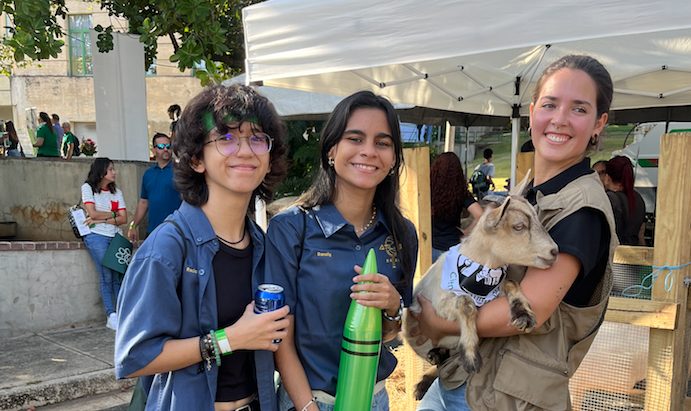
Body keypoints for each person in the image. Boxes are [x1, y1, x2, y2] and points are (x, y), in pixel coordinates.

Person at [415, 55, 618, 411]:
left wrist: (435, 321)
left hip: (507, 396)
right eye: (551, 104)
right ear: (532, 109)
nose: (560, 119)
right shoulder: (528, 191)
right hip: (468, 378)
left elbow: (526, 313)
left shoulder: (582, 211)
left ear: (599, 123)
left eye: (579, 109)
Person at [114, 84, 289, 411]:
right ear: (196, 159)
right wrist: (231, 338)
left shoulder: (262, 245)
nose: (245, 150)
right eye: (226, 138)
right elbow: (134, 357)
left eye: (257, 138)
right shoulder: (167, 248)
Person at [265, 90, 419, 411]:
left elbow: (392, 335)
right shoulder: (292, 228)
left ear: (393, 158)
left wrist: (392, 306)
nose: (368, 151)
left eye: (382, 142)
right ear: (332, 149)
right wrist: (307, 406)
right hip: (307, 401)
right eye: (355, 138)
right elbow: (279, 337)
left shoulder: (402, 233)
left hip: (374, 399)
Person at [81, 157, 128, 330]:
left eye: (113, 169)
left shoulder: (117, 192)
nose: (114, 172)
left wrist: (103, 219)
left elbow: (124, 218)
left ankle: (121, 313)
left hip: (116, 237)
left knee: (118, 275)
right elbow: (92, 213)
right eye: (110, 169)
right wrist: (113, 215)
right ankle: (111, 315)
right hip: (96, 236)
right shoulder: (88, 188)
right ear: (101, 172)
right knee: (106, 274)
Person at [126, 132, 182, 242]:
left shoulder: (180, 171)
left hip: (176, 230)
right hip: (153, 231)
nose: (165, 149)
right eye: (161, 146)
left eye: (168, 146)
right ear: (154, 150)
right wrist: (133, 226)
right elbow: (143, 202)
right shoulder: (148, 174)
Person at [430, 152, 483, 262]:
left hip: (431, 246)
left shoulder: (427, 191)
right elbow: (480, 215)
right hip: (454, 247)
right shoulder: (461, 193)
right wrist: (467, 232)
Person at [604, 155, 646, 246]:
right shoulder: (638, 198)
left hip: (614, 254)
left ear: (607, 177)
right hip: (634, 253)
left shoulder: (609, 199)